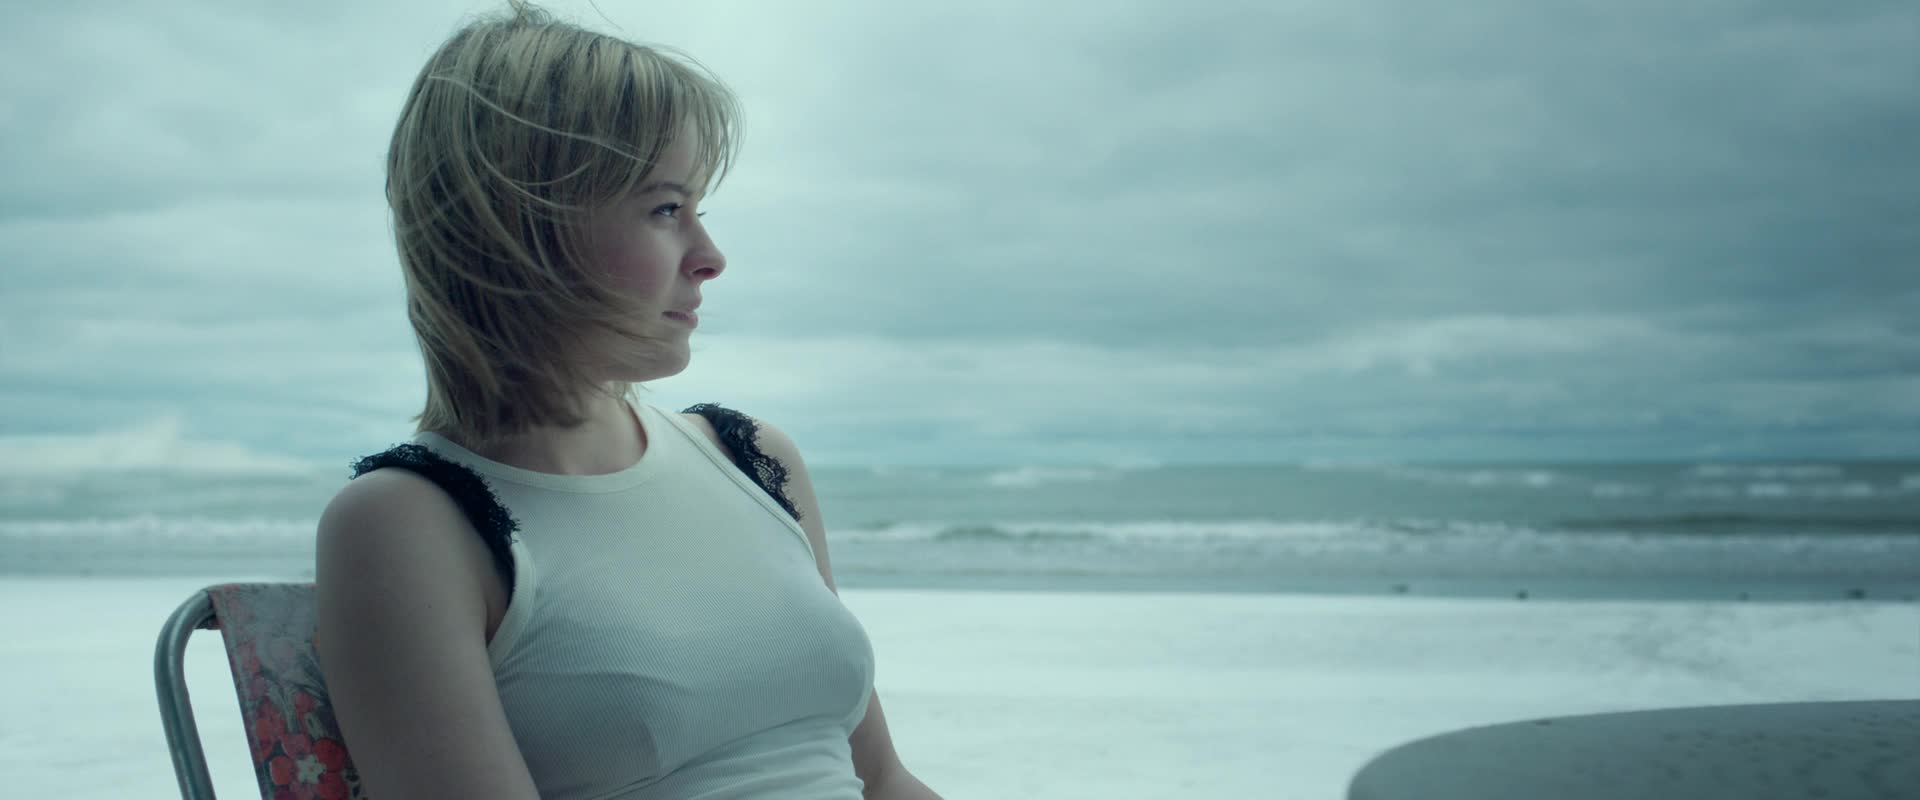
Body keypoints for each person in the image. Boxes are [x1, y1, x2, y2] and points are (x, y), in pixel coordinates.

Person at [310, 2, 942, 798]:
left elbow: (882, 779)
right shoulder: (410, 524)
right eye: (666, 209)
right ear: (520, 227)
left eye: (699, 210)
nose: (710, 256)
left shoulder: (753, 459)